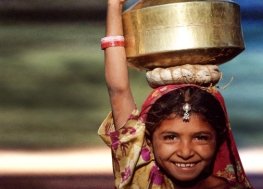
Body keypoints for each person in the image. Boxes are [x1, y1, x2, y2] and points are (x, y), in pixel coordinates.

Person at [98, 0, 254, 188]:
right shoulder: (141, 176)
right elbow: (118, 91)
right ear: (147, 140)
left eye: (201, 137)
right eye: (170, 137)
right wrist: (114, 6)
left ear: (219, 138)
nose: (186, 152)